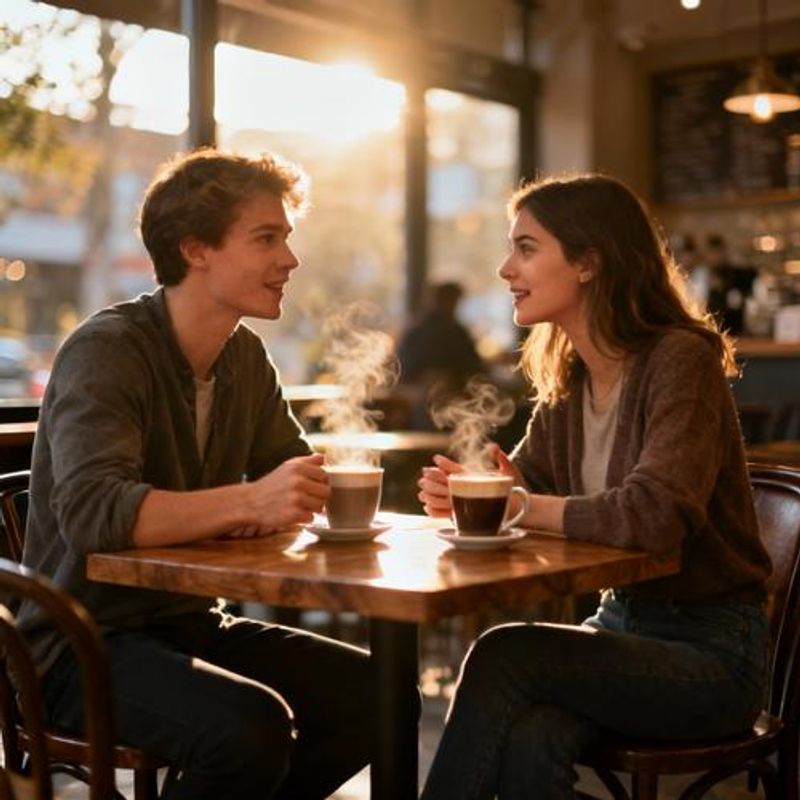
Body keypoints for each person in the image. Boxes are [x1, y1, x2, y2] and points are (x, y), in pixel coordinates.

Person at [19, 149, 389, 800]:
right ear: (196, 250)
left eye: (286, 238)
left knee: (380, 695)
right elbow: (94, 514)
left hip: (187, 624)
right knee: (249, 730)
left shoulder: (244, 357)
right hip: (76, 646)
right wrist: (250, 502)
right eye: (266, 238)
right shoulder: (107, 350)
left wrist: (302, 492)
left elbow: (289, 473)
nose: (290, 259)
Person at [417, 174, 772, 800]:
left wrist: (518, 505)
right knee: (534, 736)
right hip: (616, 626)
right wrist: (484, 492)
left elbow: (655, 516)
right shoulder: (573, 374)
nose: (505, 269)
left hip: (712, 654)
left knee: (504, 654)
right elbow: (531, 484)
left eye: (526, 248)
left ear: (588, 262)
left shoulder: (680, 360)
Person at [397, 281, 486, 428]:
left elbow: (401, 370)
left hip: (429, 399)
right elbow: (474, 368)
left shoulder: (416, 330)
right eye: (452, 300)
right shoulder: (455, 331)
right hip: (440, 399)